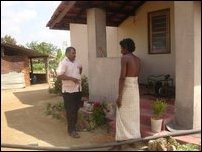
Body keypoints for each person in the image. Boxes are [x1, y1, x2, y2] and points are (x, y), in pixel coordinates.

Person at [113, 38, 141, 150]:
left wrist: (119, 96)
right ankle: (133, 139)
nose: (121, 51)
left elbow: (122, 78)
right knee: (133, 115)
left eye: (121, 48)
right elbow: (136, 77)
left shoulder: (125, 58)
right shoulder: (138, 59)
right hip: (135, 89)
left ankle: (119, 143)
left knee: (121, 114)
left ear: (126, 48)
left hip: (127, 89)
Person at [56, 47, 82, 138]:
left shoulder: (77, 61)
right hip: (68, 91)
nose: (74, 54)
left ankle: (73, 127)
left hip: (77, 89)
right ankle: (71, 131)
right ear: (67, 54)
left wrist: (77, 76)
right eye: (73, 53)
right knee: (70, 111)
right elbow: (59, 75)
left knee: (76, 109)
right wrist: (72, 79)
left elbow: (80, 68)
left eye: (75, 53)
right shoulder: (63, 63)